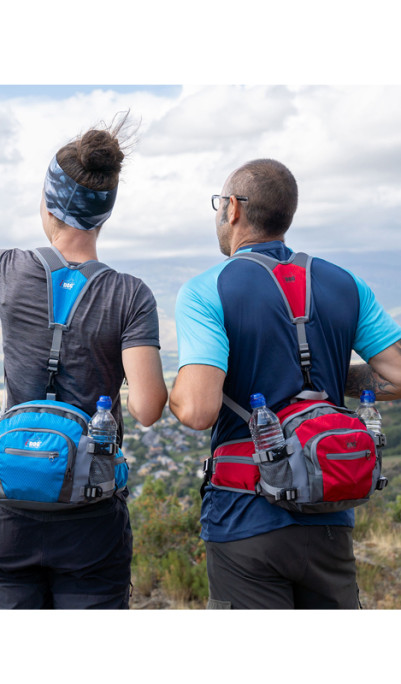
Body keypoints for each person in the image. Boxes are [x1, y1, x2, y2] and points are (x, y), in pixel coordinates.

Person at [0, 114, 168, 609]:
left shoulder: (10, 269)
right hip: (90, 520)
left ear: (47, 207)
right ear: (105, 214)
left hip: (9, 517)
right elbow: (149, 409)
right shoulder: (131, 296)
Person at [169, 158, 401, 609]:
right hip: (329, 509)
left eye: (220, 204)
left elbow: (198, 411)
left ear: (232, 209)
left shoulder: (206, 290)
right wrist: (339, 378)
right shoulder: (346, 283)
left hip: (244, 514)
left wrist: (173, 394)